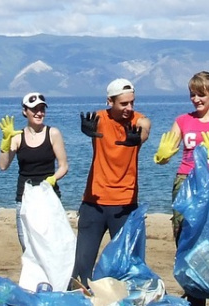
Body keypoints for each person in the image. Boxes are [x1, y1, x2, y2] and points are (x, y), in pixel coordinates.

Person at [153, 71, 209, 306]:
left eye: (201, 94)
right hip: (186, 184)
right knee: (187, 239)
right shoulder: (183, 120)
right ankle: (194, 293)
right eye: (192, 95)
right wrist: (161, 157)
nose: (196, 99)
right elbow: (168, 150)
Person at [71, 78, 152, 288]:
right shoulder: (98, 119)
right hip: (93, 202)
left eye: (132, 102)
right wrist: (86, 130)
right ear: (110, 101)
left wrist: (138, 138)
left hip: (125, 205)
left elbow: (145, 128)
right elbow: (90, 125)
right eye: (123, 104)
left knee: (127, 267)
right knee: (82, 268)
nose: (129, 108)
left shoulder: (138, 121)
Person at [0, 92, 69, 251]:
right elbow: (3, 166)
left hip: (48, 196)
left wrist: (52, 179)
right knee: (28, 246)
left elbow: (63, 166)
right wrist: (5, 143)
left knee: (51, 244)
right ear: (25, 111)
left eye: (42, 109)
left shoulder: (53, 133)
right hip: (24, 198)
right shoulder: (17, 137)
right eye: (34, 109)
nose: (39, 113)